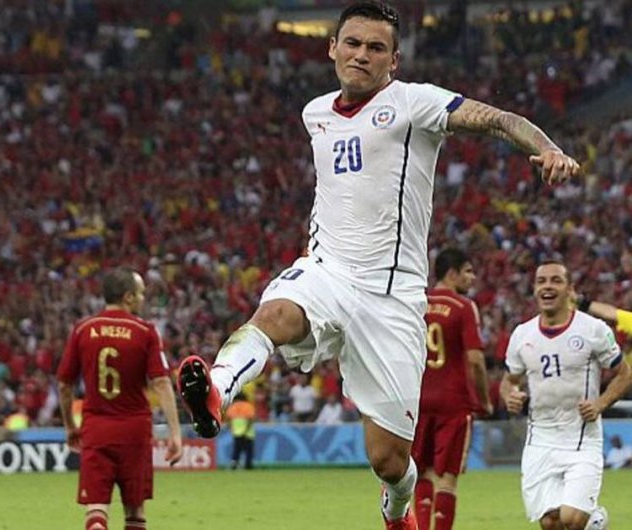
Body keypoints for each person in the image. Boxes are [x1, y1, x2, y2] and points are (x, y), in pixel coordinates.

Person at [175, 2, 580, 528]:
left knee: (388, 460)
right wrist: (312, 251)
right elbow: (336, 194)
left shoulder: (415, 103)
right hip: (328, 271)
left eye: (375, 48)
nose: (361, 55)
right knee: (274, 314)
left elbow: (499, 119)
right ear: (332, 47)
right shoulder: (315, 113)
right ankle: (217, 389)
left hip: (392, 298)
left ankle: (397, 508)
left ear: (394, 59)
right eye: (352, 43)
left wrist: (547, 148)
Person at [501, 261, 632, 530]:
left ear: (570, 290)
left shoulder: (593, 330)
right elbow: (508, 381)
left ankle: (593, 518)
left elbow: (624, 373)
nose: (547, 286)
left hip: (582, 439)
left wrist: (601, 403)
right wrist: (510, 395)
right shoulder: (521, 335)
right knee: (551, 523)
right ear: (535, 289)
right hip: (540, 439)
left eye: (556, 280)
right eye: (541, 281)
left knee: (572, 519)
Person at [57, 268, 183, 530]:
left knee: (96, 510)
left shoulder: (83, 330)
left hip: (96, 429)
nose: (143, 299)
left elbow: (65, 385)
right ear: (128, 297)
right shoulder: (145, 331)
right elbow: (160, 382)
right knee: (135, 512)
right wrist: (175, 432)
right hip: (134, 431)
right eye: (141, 294)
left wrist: (70, 426)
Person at [411, 248, 492, 530]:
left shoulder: (416, 304)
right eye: (468, 271)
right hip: (453, 401)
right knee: (447, 476)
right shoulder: (463, 307)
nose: (472, 277)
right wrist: (484, 400)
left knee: (422, 472)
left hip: (418, 399)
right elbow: (475, 360)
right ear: (452, 273)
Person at [225, 393, 256, 470]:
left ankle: (234, 464)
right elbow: (251, 419)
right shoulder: (248, 406)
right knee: (248, 451)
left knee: (237, 450)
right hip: (248, 433)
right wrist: (246, 429)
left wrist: (231, 428)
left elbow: (229, 419)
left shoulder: (233, 406)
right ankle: (248, 465)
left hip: (237, 432)